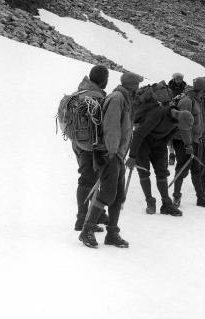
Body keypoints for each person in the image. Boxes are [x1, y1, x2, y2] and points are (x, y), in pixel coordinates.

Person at [79, 71, 143, 248]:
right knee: (108, 192)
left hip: (117, 154)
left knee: (118, 195)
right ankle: (87, 230)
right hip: (109, 152)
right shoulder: (117, 98)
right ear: (131, 85)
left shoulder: (124, 97)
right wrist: (113, 151)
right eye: (137, 84)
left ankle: (112, 233)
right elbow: (111, 126)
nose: (139, 87)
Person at [127, 101, 194, 217]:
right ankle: (150, 202)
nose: (178, 127)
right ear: (178, 115)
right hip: (143, 143)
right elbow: (138, 133)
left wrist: (163, 147)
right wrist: (132, 156)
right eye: (179, 125)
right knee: (144, 172)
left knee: (162, 173)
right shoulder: (159, 114)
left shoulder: (177, 120)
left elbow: (170, 135)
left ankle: (166, 204)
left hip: (159, 145)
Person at [72, 65, 110, 232]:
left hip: (78, 141)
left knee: (92, 178)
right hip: (91, 146)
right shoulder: (97, 97)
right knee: (87, 180)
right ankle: (82, 219)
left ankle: (98, 214)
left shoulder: (79, 92)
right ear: (104, 80)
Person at [171, 77, 205, 208]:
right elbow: (184, 125)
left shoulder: (197, 100)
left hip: (195, 140)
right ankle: (176, 197)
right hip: (184, 141)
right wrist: (188, 144)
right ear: (202, 88)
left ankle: (201, 198)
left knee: (197, 169)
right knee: (182, 169)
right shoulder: (187, 101)